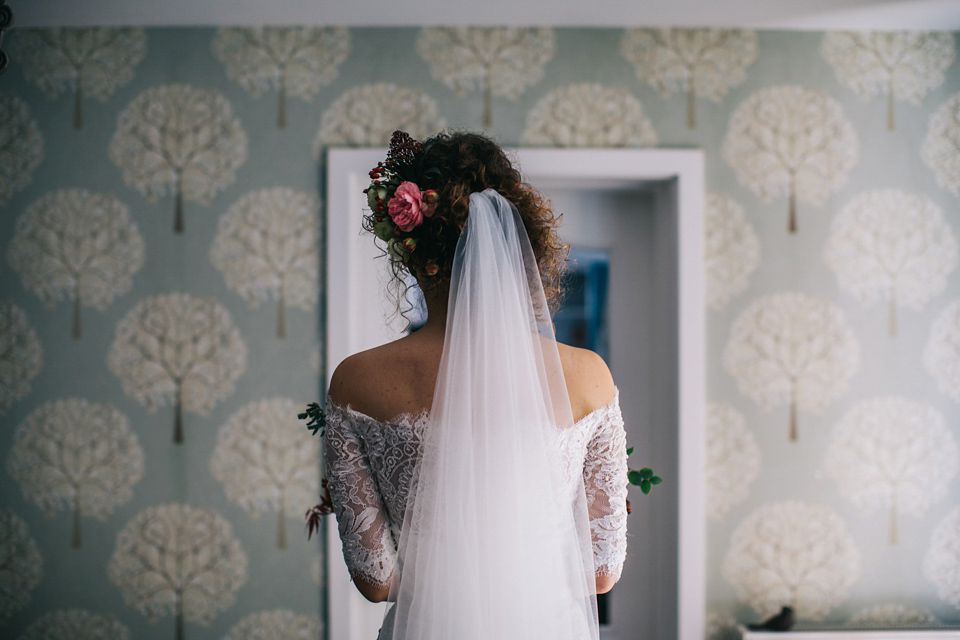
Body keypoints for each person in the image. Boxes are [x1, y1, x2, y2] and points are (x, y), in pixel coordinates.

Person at [324, 131, 628, 639]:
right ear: (520, 241)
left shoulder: (358, 379)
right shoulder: (589, 376)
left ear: (411, 251)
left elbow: (377, 581)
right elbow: (601, 572)